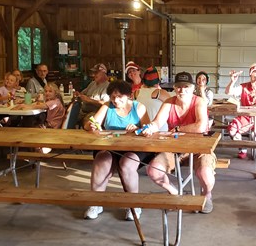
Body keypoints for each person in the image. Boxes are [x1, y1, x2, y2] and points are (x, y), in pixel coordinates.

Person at [141, 71, 216, 214]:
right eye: (179, 87)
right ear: (174, 88)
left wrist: (177, 129)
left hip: (200, 148)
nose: (182, 90)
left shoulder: (199, 101)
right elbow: (157, 122)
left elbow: (200, 127)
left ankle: (206, 195)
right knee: (153, 170)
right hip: (174, 148)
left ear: (192, 88)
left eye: (186, 87)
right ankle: (174, 192)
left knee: (205, 174)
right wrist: (150, 127)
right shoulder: (169, 102)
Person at [83, 79, 151, 221]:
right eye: (113, 97)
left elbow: (148, 129)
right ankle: (96, 202)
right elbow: (89, 125)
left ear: (129, 96)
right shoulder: (107, 107)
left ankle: (133, 204)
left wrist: (137, 128)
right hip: (111, 146)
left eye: (120, 97)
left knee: (127, 164)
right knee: (101, 160)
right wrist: (92, 126)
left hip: (134, 147)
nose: (115, 100)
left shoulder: (138, 108)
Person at [135, 66, 171, 131]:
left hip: (143, 129)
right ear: (157, 82)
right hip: (160, 129)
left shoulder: (137, 93)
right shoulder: (160, 93)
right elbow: (173, 105)